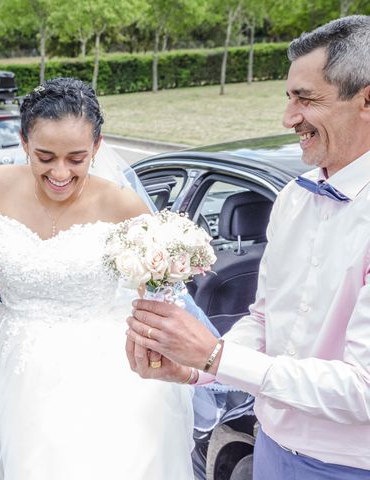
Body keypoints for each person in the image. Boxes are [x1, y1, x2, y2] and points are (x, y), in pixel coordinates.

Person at [126, 15, 370, 479]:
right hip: (271, 449)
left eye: (306, 99)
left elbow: (363, 390)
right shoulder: (294, 198)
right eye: (288, 97)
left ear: (366, 99)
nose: (288, 118)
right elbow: (263, 319)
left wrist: (215, 357)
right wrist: (198, 369)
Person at [0, 77, 198, 479]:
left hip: (107, 371)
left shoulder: (121, 203)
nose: (60, 172)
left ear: (97, 148)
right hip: (18, 367)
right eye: (45, 157)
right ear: (24, 142)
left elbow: (160, 289)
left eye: (77, 158)